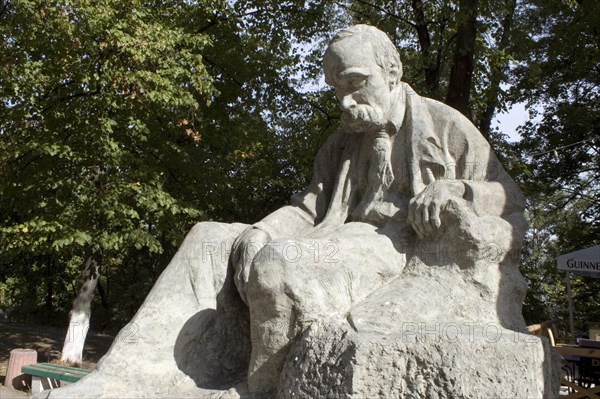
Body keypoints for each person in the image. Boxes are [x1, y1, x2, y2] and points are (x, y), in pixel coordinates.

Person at [43, 24, 525, 398]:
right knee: (208, 238)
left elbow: (510, 199)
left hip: (395, 252)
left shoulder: (445, 125)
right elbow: (310, 205)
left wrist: (459, 188)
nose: (347, 99)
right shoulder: (340, 143)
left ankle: (256, 387)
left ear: (392, 72)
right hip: (337, 239)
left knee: (281, 264)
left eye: (357, 83)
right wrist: (260, 229)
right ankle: (124, 377)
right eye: (337, 89)